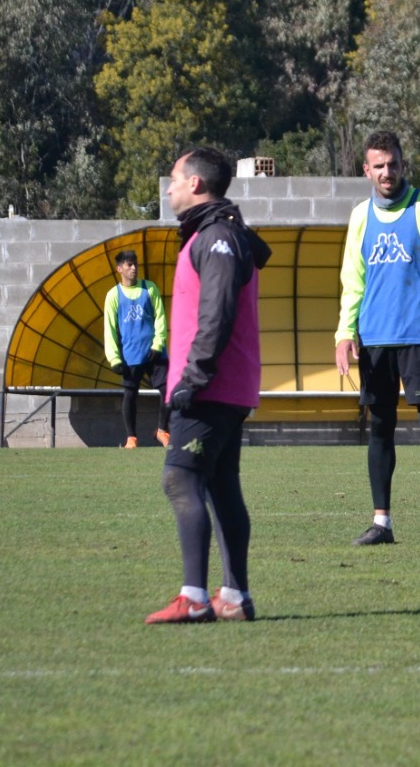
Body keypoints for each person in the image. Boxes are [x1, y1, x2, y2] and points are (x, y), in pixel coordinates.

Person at [145, 147, 272, 624]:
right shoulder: (217, 233)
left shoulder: (217, 237)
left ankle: (195, 597)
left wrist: (190, 380)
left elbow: (216, 315)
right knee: (221, 486)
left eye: (174, 178)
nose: (169, 186)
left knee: (179, 478)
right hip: (224, 387)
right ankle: (234, 598)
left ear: (196, 183)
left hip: (210, 388)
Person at [335, 131, 420, 546]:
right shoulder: (359, 216)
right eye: (379, 165)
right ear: (366, 170)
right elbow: (352, 282)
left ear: (402, 164)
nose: (387, 172)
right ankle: (381, 523)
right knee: (380, 428)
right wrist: (344, 333)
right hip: (374, 339)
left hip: (418, 336)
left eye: (393, 163)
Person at [103, 250, 170, 449]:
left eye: (135, 264)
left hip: (155, 353)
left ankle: (162, 431)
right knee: (130, 395)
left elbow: (160, 317)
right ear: (119, 269)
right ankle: (131, 438)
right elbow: (110, 328)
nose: (134, 268)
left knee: (168, 390)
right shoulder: (113, 295)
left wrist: (158, 344)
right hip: (130, 355)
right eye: (129, 265)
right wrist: (114, 358)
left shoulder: (149, 289)